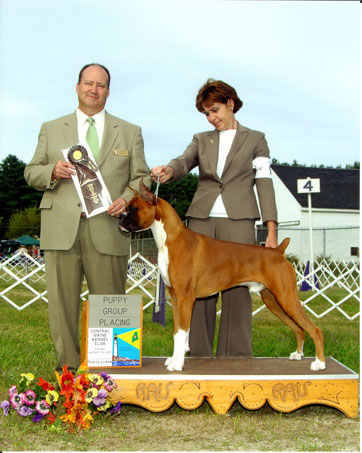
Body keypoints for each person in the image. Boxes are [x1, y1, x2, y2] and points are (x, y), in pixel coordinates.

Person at [25, 63, 151, 372]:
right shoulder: (51, 128)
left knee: (111, 306)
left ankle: (109, 376)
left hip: (108, 228)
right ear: (78, 86)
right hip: (60, 228)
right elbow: (30, 171)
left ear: (108, 91)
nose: (94, 90)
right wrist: (51, 171)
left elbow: (142, 177)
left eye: (101, 85)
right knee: (62, 306)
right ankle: (67, 374)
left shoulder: (130, 131)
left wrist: (126, 197)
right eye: (88, 83)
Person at [151, 78, 278, 358]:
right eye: (206, 113)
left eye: (215, 110)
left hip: (240, 220)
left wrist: (271, 229)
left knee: (238, 290)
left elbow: (265, 183)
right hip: (201, 220)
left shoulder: (256, 139)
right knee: (191, 289)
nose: (211, 118)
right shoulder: (201, 139)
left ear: (231, 104)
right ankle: (195, 353)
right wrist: (170, 170)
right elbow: (184, 162)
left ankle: (236, 356)